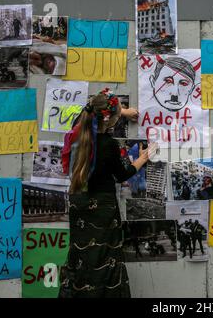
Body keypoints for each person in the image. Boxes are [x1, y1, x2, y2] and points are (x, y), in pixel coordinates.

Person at [58, 88, 156, 298]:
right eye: (119, 113)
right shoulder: (108, 144)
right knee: (106, 258)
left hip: (79, 205)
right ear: (110, 120)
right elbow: (122, 174)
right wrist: (142, 159)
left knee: (82, 255)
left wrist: (123, 112)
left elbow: (96, 105)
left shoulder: (78, 130)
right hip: (102, 209)